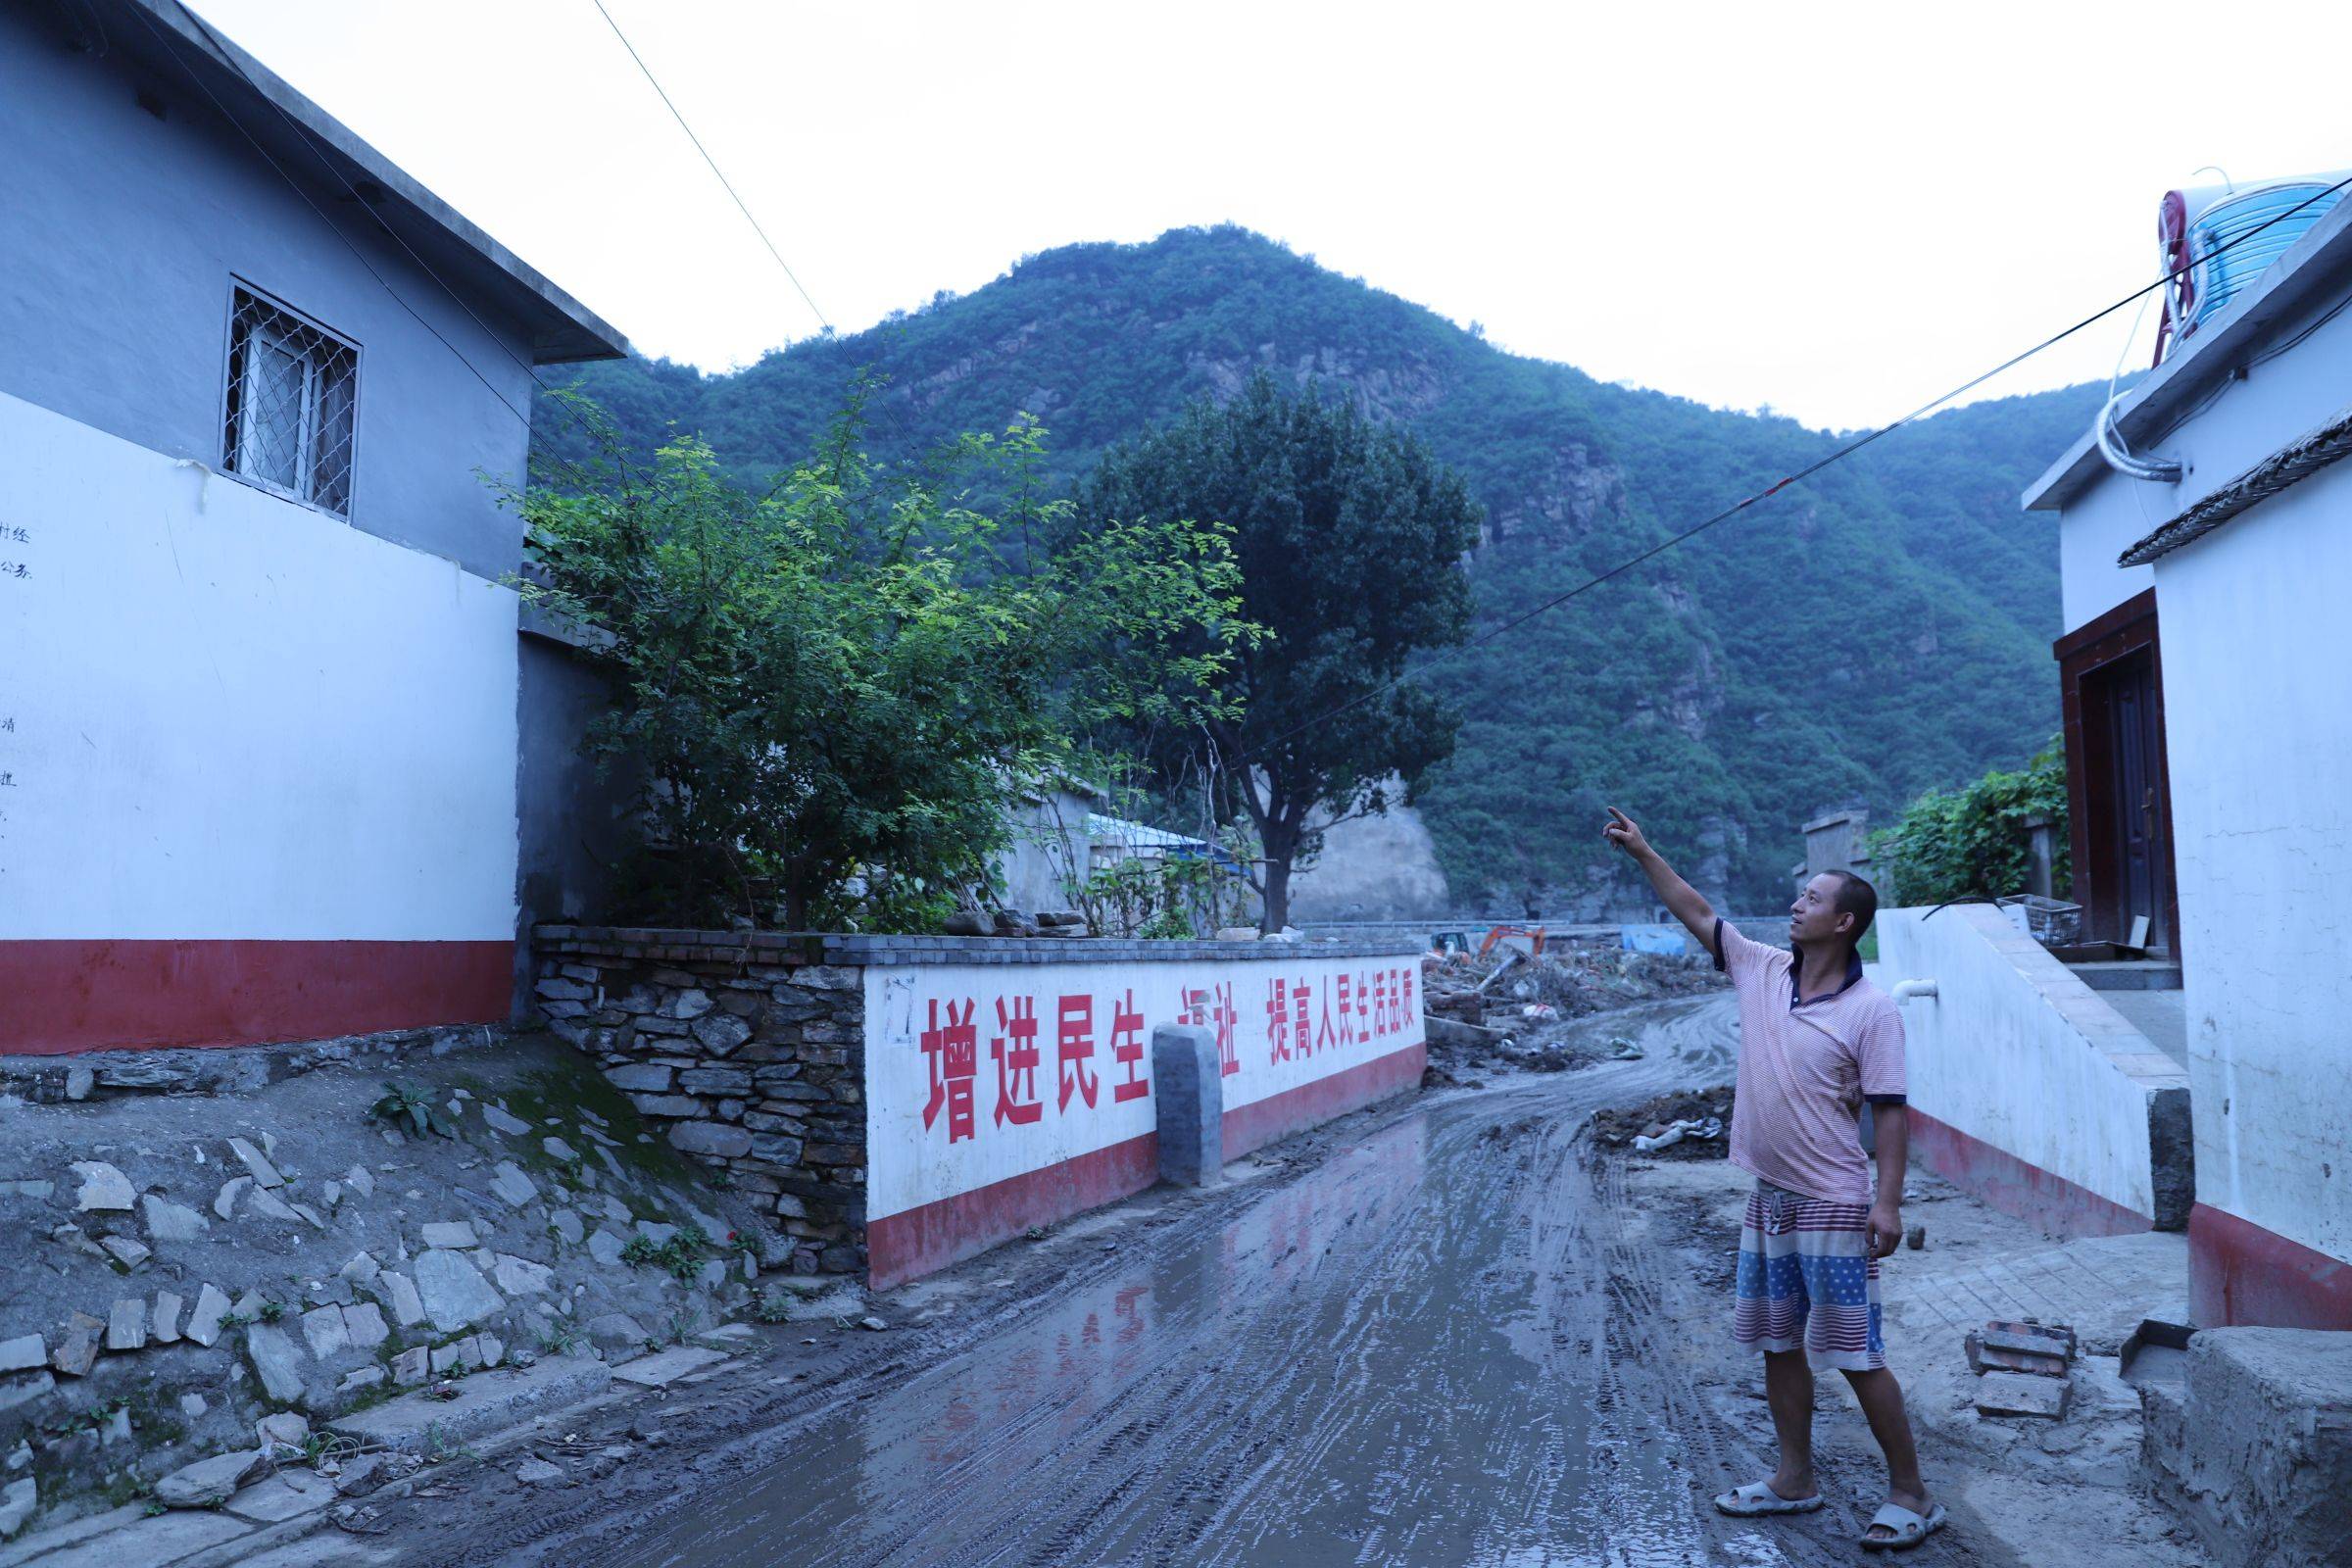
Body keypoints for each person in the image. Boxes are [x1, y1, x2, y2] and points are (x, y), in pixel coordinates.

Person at [1603, 807, 1944, 1553]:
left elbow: (1889, 1115)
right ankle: (1795, 1480)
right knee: (1779, 1345)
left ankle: (1912, 1492)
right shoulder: (1761, 970)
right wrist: (1644, 849)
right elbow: (1697, 910)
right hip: (1771, 1201)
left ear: (1845, 922)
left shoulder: (1871, 1011)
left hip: (1833, 1203)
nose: (1798, 905)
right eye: (1801, 897)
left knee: (1855, 1354)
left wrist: (1886, 1203)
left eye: (1813, 899)